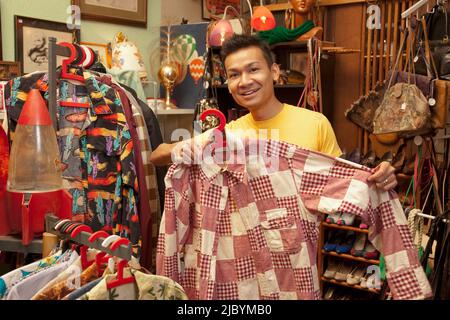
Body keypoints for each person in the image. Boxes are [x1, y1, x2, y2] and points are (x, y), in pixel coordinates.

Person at [150, 34, 397, 191]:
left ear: (275, 73)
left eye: (253, 69)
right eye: (234, 75)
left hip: (297, 254)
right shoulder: (229, 134)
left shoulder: (314, 123)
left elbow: (342, 180)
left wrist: (378, 177)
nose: (244, 81)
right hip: (241, 253)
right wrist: (194, 145)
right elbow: (157, 156)